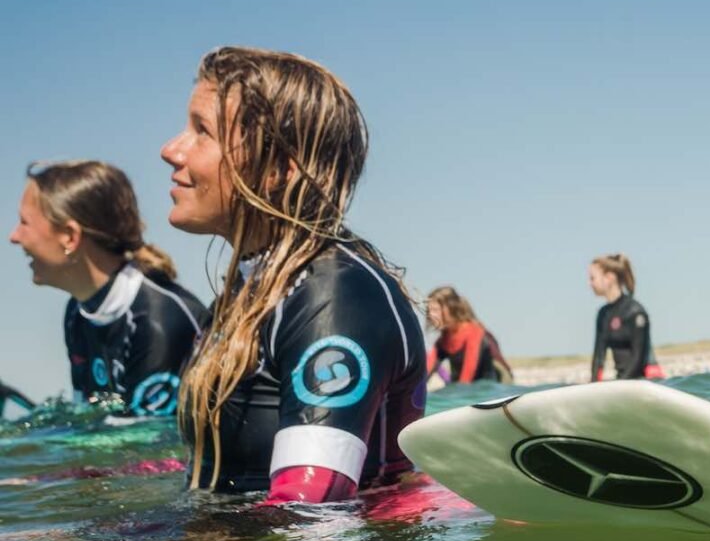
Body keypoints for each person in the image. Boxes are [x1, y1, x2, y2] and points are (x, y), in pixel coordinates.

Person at [161, 46, 425, 504]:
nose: (171, 150)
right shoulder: (248, 293)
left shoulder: (335, 295)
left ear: (279, 168)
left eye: (202, 131)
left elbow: (311, 513)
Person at [9, 161, 205, 417]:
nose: (13, 236)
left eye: (24, 222)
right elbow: (90, 424)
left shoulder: (158, 322)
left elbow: (153, 448)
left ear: (70, 236)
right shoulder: (77, 311)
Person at [589, 253, 663, 381]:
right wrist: (593, 385)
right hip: (624, 382)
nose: (590, 283)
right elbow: (598, 358)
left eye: (592, 278)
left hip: (647, 380)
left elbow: (638, 358)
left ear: (609, 278)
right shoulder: (603, 314)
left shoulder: (635, 311)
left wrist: (621, 385)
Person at [425, 286, 513, 385]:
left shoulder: (474, 332)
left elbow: (466, 377)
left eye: (435, 310)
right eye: (429, 310)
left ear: (450, 308)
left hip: (496, 383)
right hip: (466, 385)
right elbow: (425, 372)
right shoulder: (442, 341)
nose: (430, 315)